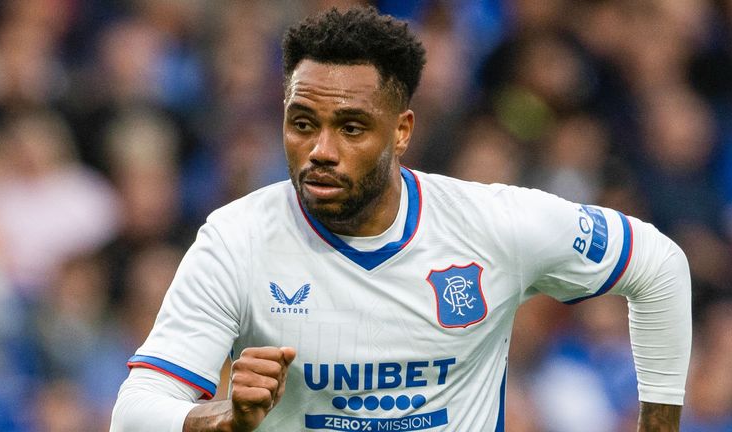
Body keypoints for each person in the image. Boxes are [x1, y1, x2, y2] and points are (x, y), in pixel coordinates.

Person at [110, 7, 691, 431]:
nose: (320, 150)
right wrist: (215, 420)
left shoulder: (494, 225)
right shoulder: (237, 239)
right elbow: (134, 411)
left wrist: (659, 423)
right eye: (302, 123)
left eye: (351, 127)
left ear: (402, 131)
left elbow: (659, 265)